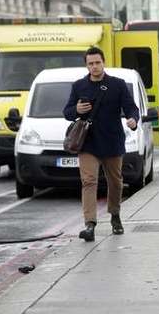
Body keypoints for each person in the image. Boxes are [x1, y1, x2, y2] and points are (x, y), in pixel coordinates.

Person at [63, 46, 139, 242]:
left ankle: (115, 215)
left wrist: (133, 119)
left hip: (112, 141)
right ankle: (90, 224)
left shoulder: (117, 84)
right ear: (86, 65)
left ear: (103, 62)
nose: (94, 67)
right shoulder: (79, 86)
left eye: (97, 62)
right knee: (88, 181)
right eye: (91, 64)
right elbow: (67, 112)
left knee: (115, 182)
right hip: (88, 143)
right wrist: (77, 109)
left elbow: (131, 107)